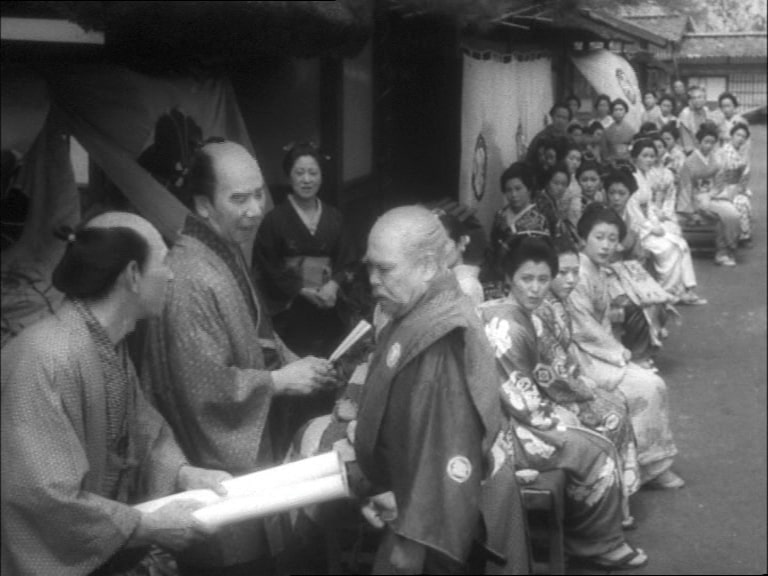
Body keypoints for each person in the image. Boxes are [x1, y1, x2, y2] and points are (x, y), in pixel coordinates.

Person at [142, 140, 337, 575]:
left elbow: (256, 332)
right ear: (203, 205)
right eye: (239, 199)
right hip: (214, 468)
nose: (254, 210)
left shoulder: (221, 251)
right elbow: (201, 386)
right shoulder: (190, 276)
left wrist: (294, 360)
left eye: (259, 194)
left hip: (248, 458)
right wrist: (278, 381)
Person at [2, 212, 233, 576]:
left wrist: (184, 474)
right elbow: (44, 496)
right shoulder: (44, 359)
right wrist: (146, 526)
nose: (171, 275)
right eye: (163, 262)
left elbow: (145, 434)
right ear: (133, 274)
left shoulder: (105, 343)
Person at [355, 206, 529, 574]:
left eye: (385, 269)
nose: (373, 280)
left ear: (427, 266)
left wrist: (413, 540)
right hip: (406, 506)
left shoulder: (441, 336)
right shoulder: (416, 311)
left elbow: (446, 444)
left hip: (428, 533)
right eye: (369, 267)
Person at [480, 234, 648, 571]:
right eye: (526, 279)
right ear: (509, 278)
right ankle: (594, 544)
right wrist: (559, 417)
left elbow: (538, 377)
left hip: (519, 411)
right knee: (597, 451)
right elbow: (520, 397)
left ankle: (589, 532)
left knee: (597, 431)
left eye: (543, 279)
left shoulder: (522, 314)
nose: (535, 288)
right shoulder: (507, 326)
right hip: (500, 428)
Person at [568, 203, 684, 489]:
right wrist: (617, 353)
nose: (606, 245)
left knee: (651, 383)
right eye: (599, 237)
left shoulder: (597, 269)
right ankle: (653, 466)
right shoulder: (577, 274)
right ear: (583, 238)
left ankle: (649, 464)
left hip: (599, 351)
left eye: (612, 238)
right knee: (649, 386)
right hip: (582, 357)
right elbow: (582, 327)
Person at [532, 236, 641, 527]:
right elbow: (547, 371)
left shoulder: (559, 303)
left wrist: (582, 381)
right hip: (543, 395)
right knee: (610, 414)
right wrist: (582, 388)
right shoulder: (540, 310)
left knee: (616, 403)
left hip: (565, 383)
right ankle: (592, 509)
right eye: (562, 273)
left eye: (574, 272)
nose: (570, 280)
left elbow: (563, 358)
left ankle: (614, 502)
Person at [254, 141, 354, 358]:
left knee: (331, 359)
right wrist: (300, 289)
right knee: (296, 361)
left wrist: (334, 285)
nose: (307, 179)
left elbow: (346, 259)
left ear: (321, 176)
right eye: (299, 173)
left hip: (328, 305)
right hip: (290, 310)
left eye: (313, 173)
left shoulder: (334, 217)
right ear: (289, 176)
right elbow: (266, 266)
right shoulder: (274, 220)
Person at [629, 138, 705, 304]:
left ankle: (684, 289)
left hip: (649, 224)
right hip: (637, 230)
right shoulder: (632, 179)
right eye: (644, 156)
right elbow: (632, 210)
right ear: (634, 158)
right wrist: (650, 227)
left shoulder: (645, 177)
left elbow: (649, 206)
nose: (649, 160)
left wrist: (655, 223)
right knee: (668, 248)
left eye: (652, 156)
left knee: (681, 244)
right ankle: (667, 291)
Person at [678, 122, 741, 266]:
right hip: (696, 198)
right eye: (706, 142)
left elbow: (720, 183)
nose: (709, 145)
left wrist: (711, 194)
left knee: (733, 215)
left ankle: (724, 250)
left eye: (712, 142)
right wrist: (689, 210)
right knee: (725, 215)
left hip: (714, 195)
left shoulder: (716, 159)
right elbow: (685, 187)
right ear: (698, 142)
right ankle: (723, 252)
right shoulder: (689, 162)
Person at [490, 162, 549, 283]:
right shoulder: (500, 215)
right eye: (508, 190)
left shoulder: (539, 220)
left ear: (529, 189)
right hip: (498, 275)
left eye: (518, 189)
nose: (513, 194)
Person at [716, 122, 753, 246]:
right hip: (724, 187)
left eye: (744, 137)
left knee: (744, 201)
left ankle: (743, 235)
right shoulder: (723, 151)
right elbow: (719, 173)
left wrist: (741, 186)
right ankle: (738, 236)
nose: (740, 139)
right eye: (738, 135)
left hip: (737, 186)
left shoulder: (743, 152)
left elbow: (745, 174)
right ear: (731, 135)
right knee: (740, 203)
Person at [678, 86, 709, 154]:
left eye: (699, 97)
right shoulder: (685, 114)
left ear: (705, 99)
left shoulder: (707, 111)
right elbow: (686, 140)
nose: (696, 100)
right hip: (689, 151)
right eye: (694, 98)